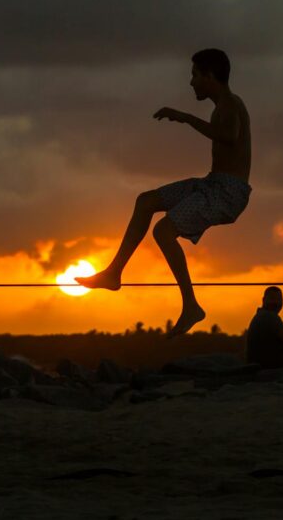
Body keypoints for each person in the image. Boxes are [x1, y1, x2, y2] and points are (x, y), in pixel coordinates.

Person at [78, 49, 252, 337]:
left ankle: (191, 306)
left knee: (163, 231)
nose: (192, 82)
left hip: (228, 192)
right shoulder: (222, 106)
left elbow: (229, 137)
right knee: (145, 201)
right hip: (212, 183)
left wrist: (185, 118)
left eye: (195, 75)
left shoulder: (231, 105)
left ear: (210, 76)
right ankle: (113, 273)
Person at [246, 286, 283, 369]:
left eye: (279, 299)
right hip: (271, 369)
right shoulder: (270, 317)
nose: (276, 303)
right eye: (272, 299)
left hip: (263, 367)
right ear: (263, 300)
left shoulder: (260, 316)